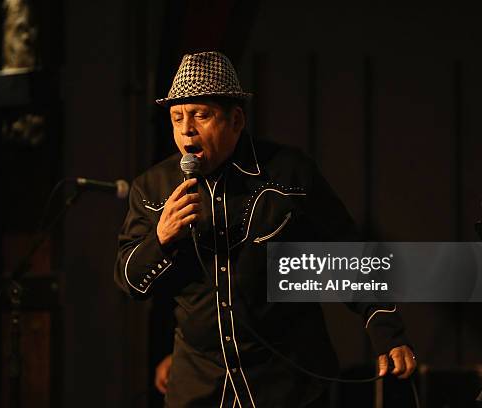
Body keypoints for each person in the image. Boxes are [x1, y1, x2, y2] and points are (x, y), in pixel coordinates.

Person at [114, 51, 416, 408]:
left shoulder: (289, 174)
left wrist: (385, 330)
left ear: (236, 120)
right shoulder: (151, 189)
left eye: (201, 115)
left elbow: (346, 251)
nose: (186, 130)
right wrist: (160, 239)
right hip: (199, 383)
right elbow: (129, 280)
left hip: (286, 381)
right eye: (177, 118)